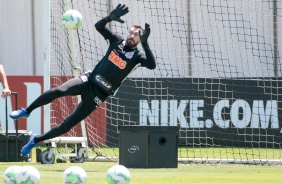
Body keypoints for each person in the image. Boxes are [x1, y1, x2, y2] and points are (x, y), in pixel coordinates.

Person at [9, 4, 156, 156]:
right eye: (131, 32)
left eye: (136, 35)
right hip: (88, 80)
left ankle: (36, 140)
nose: (132, 36)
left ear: (140, 39)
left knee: (67, 125)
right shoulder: (116, 41)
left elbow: (152, 65)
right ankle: (26, 111)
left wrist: (145, 44)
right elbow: (99, 27)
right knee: (58, 90)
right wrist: (109, 18)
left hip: (99, 95)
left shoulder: (138, 57)